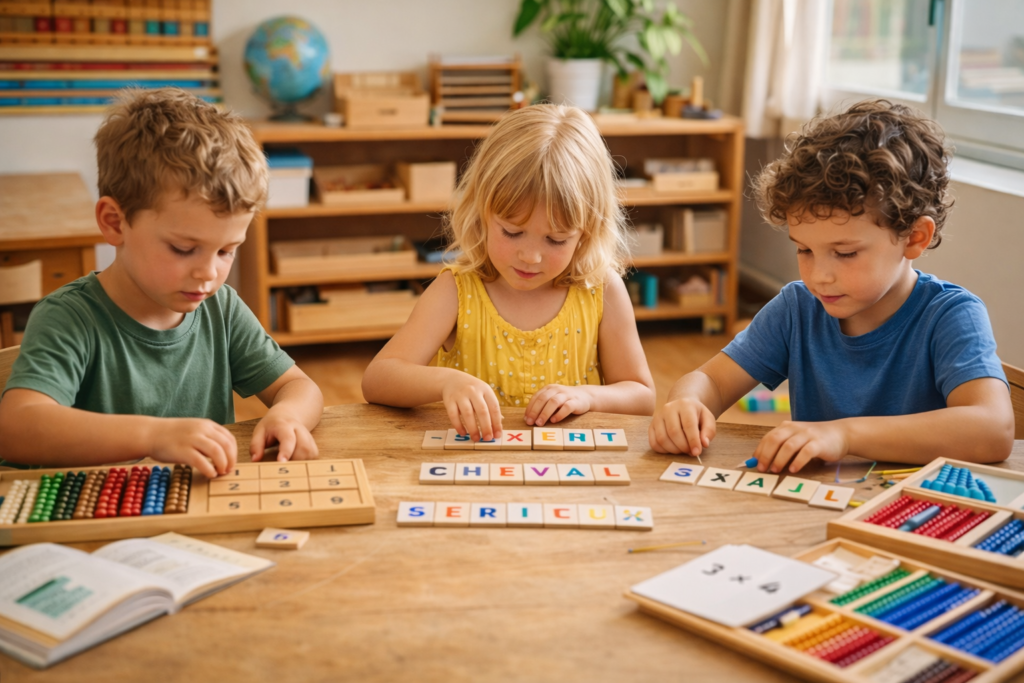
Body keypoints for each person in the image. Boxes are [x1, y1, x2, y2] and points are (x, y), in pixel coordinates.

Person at [649, 100, 1013, 471]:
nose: (818, 276)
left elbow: (993, 429)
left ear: (914, 237)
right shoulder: (797, 308)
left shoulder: (951, 316)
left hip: (916, 514)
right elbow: (711, 380)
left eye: (845, 253)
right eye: (804, 249)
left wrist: (845, 435)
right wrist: (687, 403)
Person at [0, 88, 324, 477]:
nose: (209, 273)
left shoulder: (219, 307)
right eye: (184, 248)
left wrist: (287, 415)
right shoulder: (69, 318)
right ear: (115, 223)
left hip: (183, 515)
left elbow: (300, 387)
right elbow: (17, 428)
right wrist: (152, 436)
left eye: (226, 251)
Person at [362, 104, 656, 440]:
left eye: (556, 239)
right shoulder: (455, 292)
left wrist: (588, 397)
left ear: (587, 231)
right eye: (512, 232)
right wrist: (446, 382)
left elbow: (642, 396)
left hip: (568, 471)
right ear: (481, 212)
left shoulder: (602, 290)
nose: (530, 256)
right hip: (476, 469)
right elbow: (378, 379)